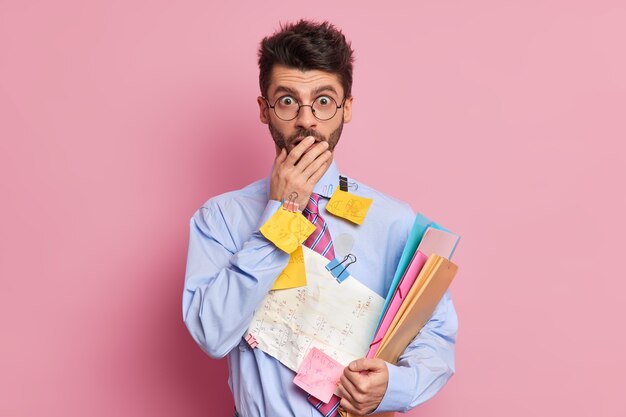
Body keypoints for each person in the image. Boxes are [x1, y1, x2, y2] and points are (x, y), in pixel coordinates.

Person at [182, 20, 457, 417]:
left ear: (347, 108)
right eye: (288, 101)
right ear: (265, 109)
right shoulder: (221, 219)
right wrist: (283, 216)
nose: (307, 120)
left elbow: (436, 337)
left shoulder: (395, 222)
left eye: (324, 101)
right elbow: (211, 334)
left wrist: (395, 386)